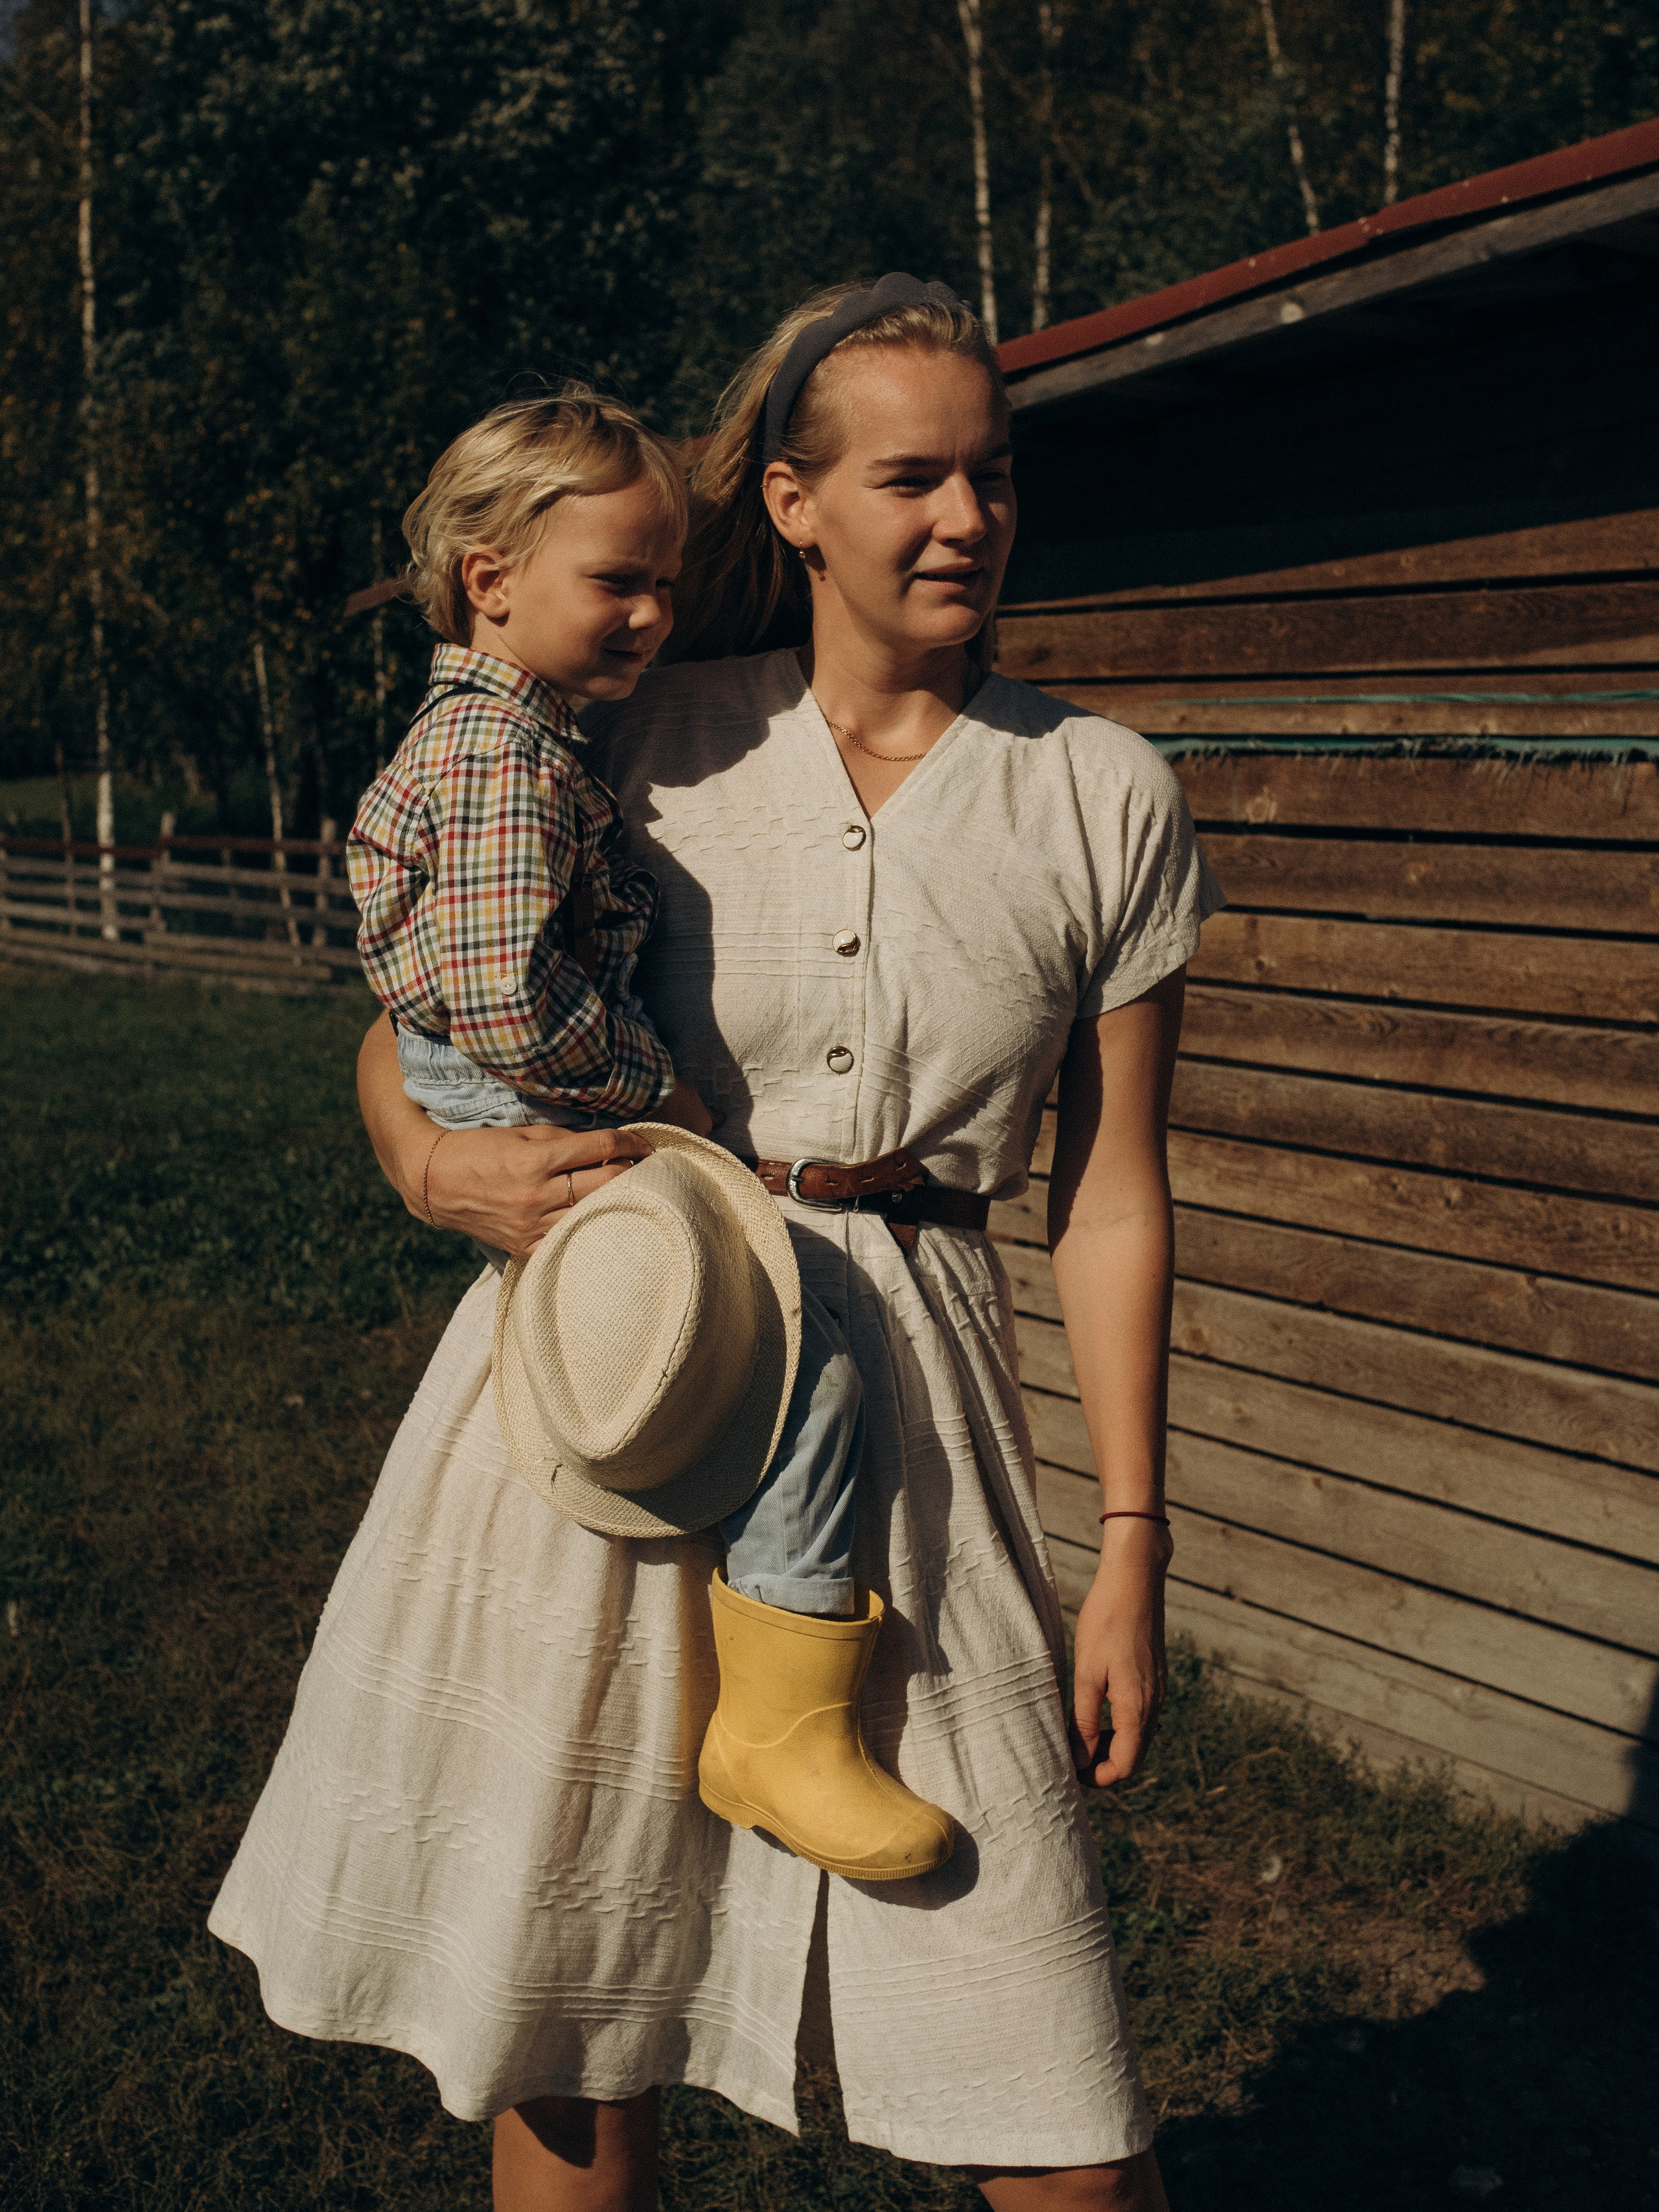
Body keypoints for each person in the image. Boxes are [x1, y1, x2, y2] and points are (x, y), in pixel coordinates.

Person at [210, 273, 1221, 2212]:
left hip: (908, 1414)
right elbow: (426, 993)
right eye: (914, 475)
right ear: (791, 501)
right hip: (621, 1366)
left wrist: (1136, 1546)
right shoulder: (645, 728)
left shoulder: (1101, 789)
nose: (967, 519)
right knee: (579, 2040)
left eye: (994, 476)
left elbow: (1113, 1191)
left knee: (1061, 2117)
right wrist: (421, 1159)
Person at [346, 388, 953, 1878]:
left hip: (507, 1087)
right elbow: (498, 996)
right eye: (616, 581)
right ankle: (785, 1714)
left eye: (664, 584)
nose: (649, 616)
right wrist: (656, 1090)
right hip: (538, 1094)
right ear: (490, 580)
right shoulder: (503, 758)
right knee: (797, 1338)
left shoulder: (517, 734)